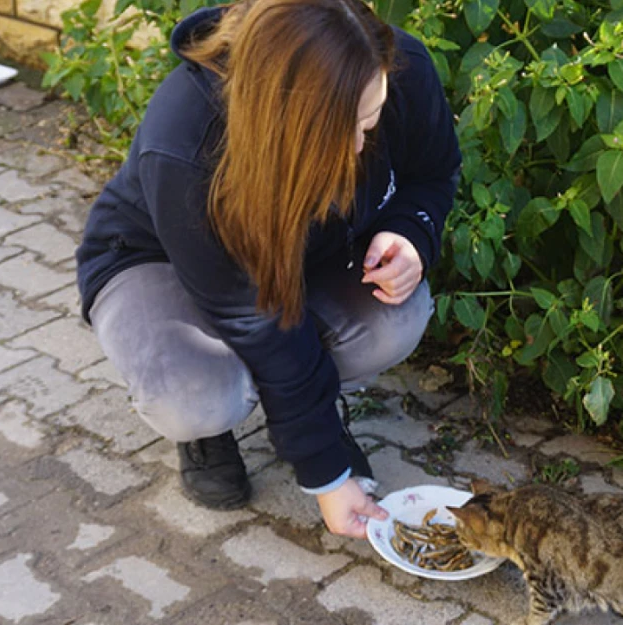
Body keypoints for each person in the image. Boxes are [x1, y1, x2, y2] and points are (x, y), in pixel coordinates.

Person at [75, 0, 460, 538]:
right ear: (284, 118)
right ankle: (212, 430)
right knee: (199, 393)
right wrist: (327, 475)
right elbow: (258, 313)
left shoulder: (396, 67)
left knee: (395, 318)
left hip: (301, 263)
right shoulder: (187, 141)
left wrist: (412, 232)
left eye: (370, 123)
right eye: (344, 129)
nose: (359, 147)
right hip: (154, 259)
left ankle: (308, 403)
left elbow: (434, 173)